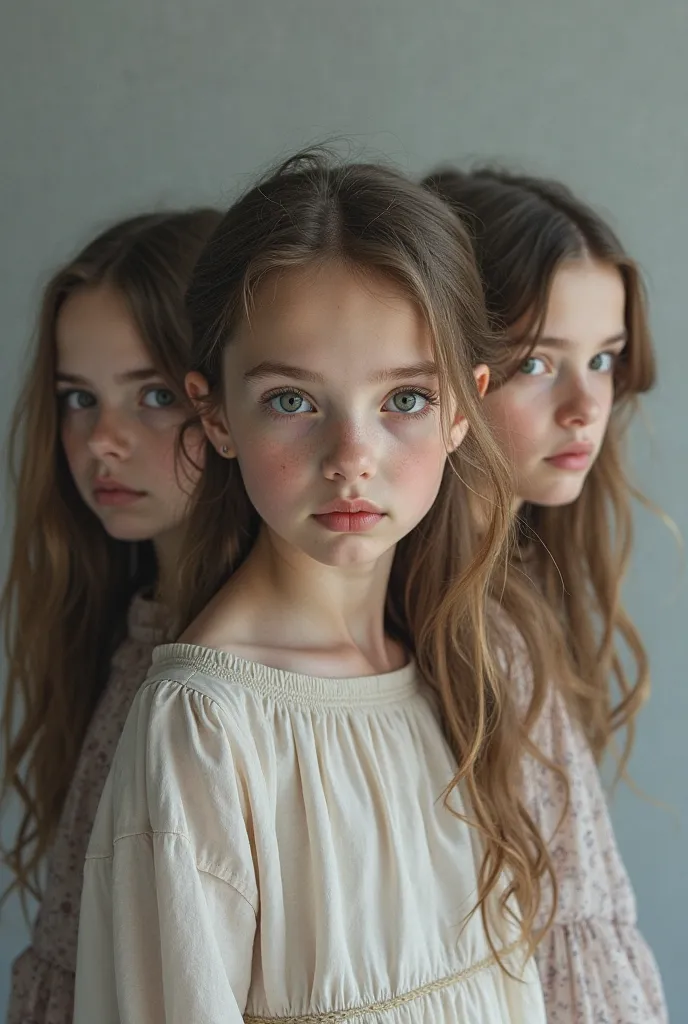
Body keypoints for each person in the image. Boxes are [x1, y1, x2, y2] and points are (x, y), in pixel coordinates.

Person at [73, 151, 550, 1023]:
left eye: (404, 398)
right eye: (293, 401)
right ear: (216, 414)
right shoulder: (206, 726)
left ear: (461, 411)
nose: (351, 459)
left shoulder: (455, 665)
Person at [423, 166, 668, 1023]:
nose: (586, 406)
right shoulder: (450, 625)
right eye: (536, 363)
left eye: (603, 360)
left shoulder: (516, 595)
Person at [1, 208, 221, 1024]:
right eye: (78, 398)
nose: (101, 442)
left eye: (155, 395)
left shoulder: (226, 681)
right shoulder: (127, 634)